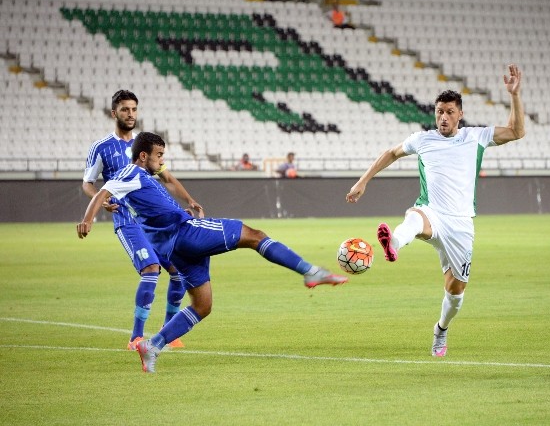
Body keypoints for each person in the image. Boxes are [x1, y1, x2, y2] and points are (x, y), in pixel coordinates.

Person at [77, 132, 348, 373]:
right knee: (255, 236)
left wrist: (178, 208)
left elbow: (151, 207)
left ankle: (152, 345)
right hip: (186, 234)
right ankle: (311, 272)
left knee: (202, 306)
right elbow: (102, 191)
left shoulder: (142, 178)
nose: (162, 162)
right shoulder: (129, 173)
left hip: (175, 247)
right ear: (143, 155)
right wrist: (88, 219)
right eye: (159, 156)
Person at [346, 64, 525, 357]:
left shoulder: (476, 137)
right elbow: (391, 153)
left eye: (449, 112)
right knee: (415, 218)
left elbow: (517, 131)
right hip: (432, 212)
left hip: (461, 224)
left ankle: (441, 329)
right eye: (439, 111)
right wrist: (363, 182)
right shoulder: (422, 139)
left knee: (455, 293)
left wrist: (514, 95)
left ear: (460, 114)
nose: (443, 117)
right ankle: (393, 243)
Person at [82, 90, 204, 351]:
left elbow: (167, 178)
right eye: (125, 109)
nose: (131, 114)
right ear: (114, 113)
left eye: (134, 109)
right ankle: (136, 337)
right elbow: (88, 184)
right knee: (151, 269)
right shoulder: (101, 147)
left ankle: (168, 332)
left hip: (154, 222)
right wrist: (101, 202)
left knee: (178, 270)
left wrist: (189, 201)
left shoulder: (144, 145)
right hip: (127, 220)